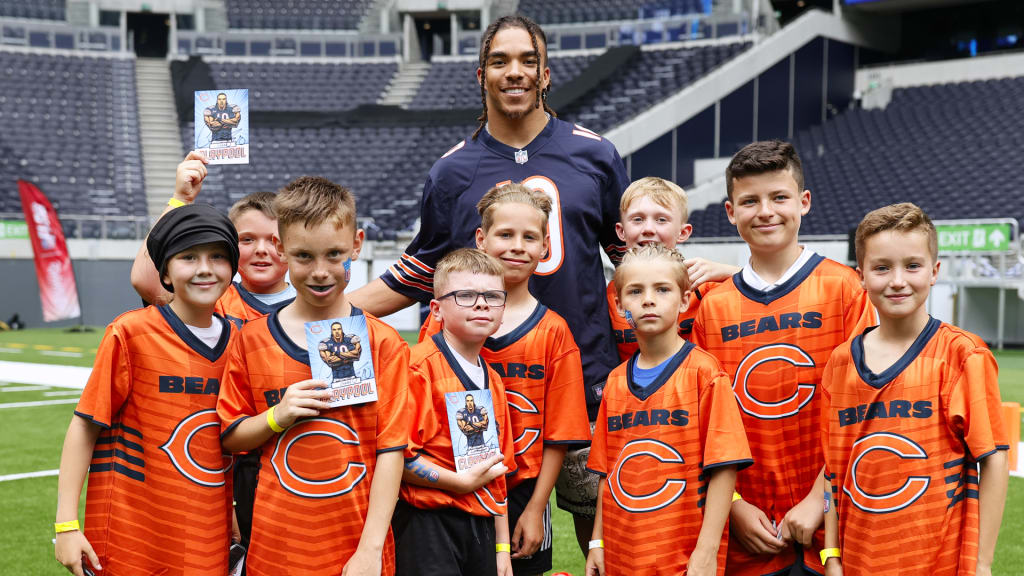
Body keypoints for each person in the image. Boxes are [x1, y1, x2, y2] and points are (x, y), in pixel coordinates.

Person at [349, 14, 628, 552]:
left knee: (604, 548)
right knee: (488, 548)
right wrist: (319, 313)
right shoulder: (453, 171)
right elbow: (419, 271)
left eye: (528, 61)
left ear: (546, 74)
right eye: (500, 61)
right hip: (480, 392)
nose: (515, 72)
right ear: (481, 74)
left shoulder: (596, 154)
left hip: (584, 381)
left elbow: (633, 260)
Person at [691, 140, 875, 576]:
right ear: (731, 212)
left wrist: (818, 499)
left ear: (804, 202)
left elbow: (865, 410)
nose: (766, 211)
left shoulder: (845, 289)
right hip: (748, 530)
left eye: (779, 197)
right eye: (750, 201)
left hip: (831, 521)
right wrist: (733, 506)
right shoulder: (713, 307)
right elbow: (705, 426)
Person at [216, 176, 410, 575]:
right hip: (277, 551)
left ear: (357, 244)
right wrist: (277, 416)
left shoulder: (384, 343)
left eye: (334, 254)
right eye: (304, 256)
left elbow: (391, 451)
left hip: (359, 549)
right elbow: (230, 436)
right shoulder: (250, 340)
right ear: (282, 250)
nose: (320, 272)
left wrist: (371, 550)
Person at [820, 203, 1008, 576]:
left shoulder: (963, 354)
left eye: (912, 265)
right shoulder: (840, 363)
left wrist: (981, 564)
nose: (897, 280)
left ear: (935, 271)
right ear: (861, 276)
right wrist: (832, 556)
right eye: (882, 267)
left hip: (940, 564)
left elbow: (995, 459)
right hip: (858, 563)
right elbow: (832, 473)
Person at [54, 203, 239, 576]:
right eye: (189, 257)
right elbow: (85, 426)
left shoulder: (244, 339)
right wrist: (66, 525)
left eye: (217, 256)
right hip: (131, 533)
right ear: (166, 273)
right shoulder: (131, 333)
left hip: (208, 532)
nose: (205, 268)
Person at [419, 183, 591, 575]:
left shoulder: (554, 332)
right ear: (482, 238)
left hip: (522, 491)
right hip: (447, 484)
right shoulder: (445, 318)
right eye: (505, 234)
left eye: (529, 237)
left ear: (546, 245)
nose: (517, 246)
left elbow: (559, 433)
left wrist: (534, 509)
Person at [586, 244, 752, 576]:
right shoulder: (616, 382)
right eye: (635, 291)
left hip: (684, 558)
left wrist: (707, 552)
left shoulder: (705, 374)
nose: (648, 299)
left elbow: (723, 470)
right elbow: (607, 475)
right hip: (622, 556)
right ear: (620, 306)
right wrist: (597, 544)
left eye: (662, 289)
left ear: (685, 300)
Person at [396, 248, 518, 576]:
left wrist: (502, 547)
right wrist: (457, 482)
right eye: (465, 295)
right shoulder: (418, 366)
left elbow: (497, 470)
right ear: (436, 309)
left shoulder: (493, 380)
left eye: (492, 296)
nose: (481, 304)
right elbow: (399, 458)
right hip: (428, 524)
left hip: (481, 526)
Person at [130, 152, 295, 322]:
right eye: (247, 239)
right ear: (230, 247)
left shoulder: (315, 307)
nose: (261, 250)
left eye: (273, 240)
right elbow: (146, 282)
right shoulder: (208, 296)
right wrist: (181, 199)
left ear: (290, 247)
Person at [607, 176, 739, 361]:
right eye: (638, 219)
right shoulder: (609, 297)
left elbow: (768, 289)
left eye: (661, 220)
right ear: (621, 231)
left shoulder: (705, 286)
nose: (649, 229)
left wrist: (732, 272)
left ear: (683, 232)